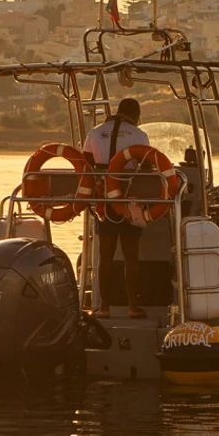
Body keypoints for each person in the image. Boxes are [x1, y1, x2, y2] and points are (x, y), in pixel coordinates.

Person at [84, 97, 150, 317]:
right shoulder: (139, 135)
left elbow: (85, 165)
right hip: (128, 200)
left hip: (105, 201)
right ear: (135, 115)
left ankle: (104, 307)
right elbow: (147, 168)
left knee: (105, 255)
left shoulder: (95, 133)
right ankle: (132, 307)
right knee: (131, 256)